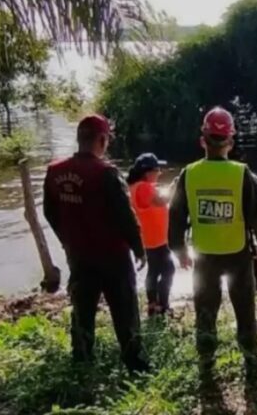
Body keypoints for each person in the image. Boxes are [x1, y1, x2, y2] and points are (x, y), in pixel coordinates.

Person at [168, 106, 257, 372]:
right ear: (231, 141)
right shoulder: (241, 173)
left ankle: (206, 358)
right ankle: (250, 357)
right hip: (237, 253)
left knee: (205, 310)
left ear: (202, 140)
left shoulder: (188, 174)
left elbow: (176, 216)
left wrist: (179, 250)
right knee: (244, 310)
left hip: (203, 255)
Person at [42, 114, 149, 372]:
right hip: (113, 257)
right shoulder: (106, 173)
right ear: (102, 140)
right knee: (126, 315)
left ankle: (82, 364)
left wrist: (68, 240)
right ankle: (135, 366)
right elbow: (125, 216)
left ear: (79, 138)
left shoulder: (54, 172)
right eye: (107, 139)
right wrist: (139, 249)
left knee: (82, 313)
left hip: (79, 256)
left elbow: (50, 212)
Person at [127, 153, 175, 317]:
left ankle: (153, 305)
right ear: (147, 172)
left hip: (148, 239)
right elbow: (161, 201)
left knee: (154, 271)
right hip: (155, 241)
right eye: (157, 170)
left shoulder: (135, 187)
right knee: (168, 270)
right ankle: (162, 305)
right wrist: (173, 188)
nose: (160, 172)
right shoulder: (144, 187)